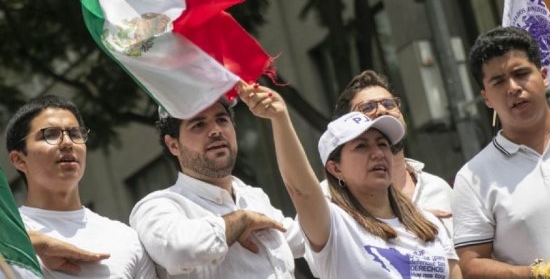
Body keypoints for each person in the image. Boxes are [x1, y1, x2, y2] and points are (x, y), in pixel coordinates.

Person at [237, 81, 461, 279]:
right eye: (361, 146)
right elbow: (301, 190)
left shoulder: (430, 223)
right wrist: (280, 118)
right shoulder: (333, 224)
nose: (377, 153)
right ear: (336, 169)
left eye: (382, 144)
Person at [452, 26, 550, 279]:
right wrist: (546, 273)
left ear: (544, 76)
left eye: (521, 73)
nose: (513, 88)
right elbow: (471, 266)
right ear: (486, 97)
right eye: (498, 81)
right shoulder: (473, 177)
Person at [129, 97, 304, 278]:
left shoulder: (253, 197)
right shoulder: (156, 206)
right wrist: (240, 221)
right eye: (198, 125)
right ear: (173, 145)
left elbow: (306, 239)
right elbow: (178, 250)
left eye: (222, 120)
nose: (215, 131)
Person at [5, 95, 157, 278]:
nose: (67, 143)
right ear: (19, 159)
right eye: (50, 134)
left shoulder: (125, 238)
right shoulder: (8, 233)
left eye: (75, 134)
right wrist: (33, 243)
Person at [332, 70, 453, 234]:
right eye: (367, 107)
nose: (382, 110)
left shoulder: (438, 188)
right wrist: (413, 223)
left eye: (389, 104)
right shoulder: (328, 198)